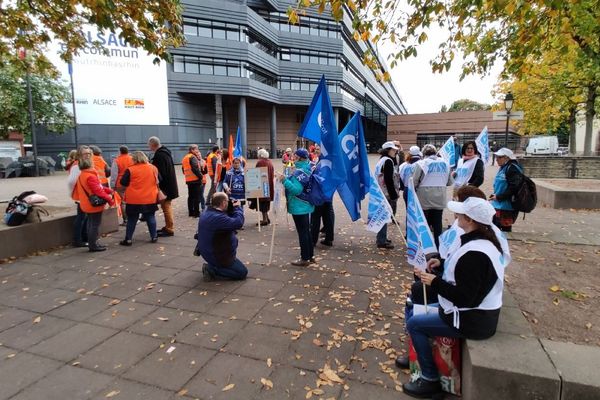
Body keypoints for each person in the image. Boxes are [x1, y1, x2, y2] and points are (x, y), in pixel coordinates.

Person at [401, 197, 505, 398]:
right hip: (474, 313)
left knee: (415, 323)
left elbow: (465, 298)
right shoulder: (482, 241)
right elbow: (463, 276)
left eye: (460, 213)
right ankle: (416, 355)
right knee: (415, 300)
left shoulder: (476, 254)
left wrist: (434, 282)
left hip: (472, 319)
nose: (456, 216)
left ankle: (430, 379)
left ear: (471, 220)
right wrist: (440, 263)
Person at [194, 192, 247, 281]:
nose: (229, 203)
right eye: (227, 201)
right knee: (242, 272)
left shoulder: (207, 211)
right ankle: (212, 269)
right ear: (223, 203)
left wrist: (230, 209)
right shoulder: (218, 218)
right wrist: (237, 208)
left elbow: (225, 218)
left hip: (206, 251)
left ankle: (213, 265)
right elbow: (238, 222)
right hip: (217, 255)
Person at [278, 148, 315, 266]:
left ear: (299, 157)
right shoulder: (307, 168)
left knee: (303, 233)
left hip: (299, 206)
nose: (292, 157)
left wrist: (284, 180)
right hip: (306, 205)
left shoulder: (299, 172)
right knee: (307, 231)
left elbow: (296, 190)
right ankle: (310, 255)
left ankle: (304, 258)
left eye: (294, 156)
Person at [413, 144, 453, 248]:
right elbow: (449, 182)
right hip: (440, 197)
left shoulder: (420, 164)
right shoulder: (446, 163)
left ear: (423, 153)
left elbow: (414, 181)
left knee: (424, 223)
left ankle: (424, 246)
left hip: (424, 197)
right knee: (438, 223)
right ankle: (438, 246)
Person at [73, 158, 115, 252]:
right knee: (94, 225)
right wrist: (110, 200)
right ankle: (93, 245)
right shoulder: (90, 176)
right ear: (90, 164)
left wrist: (109, 191)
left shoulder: (82, 175)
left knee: (90, 223)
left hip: (86, 203)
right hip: (93, 205)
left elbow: (97, 187)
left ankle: (92, 243)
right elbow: (99, 191)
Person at [119, 151, 160, 245]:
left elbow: (123, 183)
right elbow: (159, 180)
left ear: (135, 159)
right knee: (150, 217)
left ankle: (128, 239)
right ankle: (154, 236)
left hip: (134, 199)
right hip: (150, 197)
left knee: (132, 219)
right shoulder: (153, 168)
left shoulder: (130, 170)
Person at [148, 136, 178, 237]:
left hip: (165, 187)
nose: (149, 147)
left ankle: (169, 229)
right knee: (167, 207)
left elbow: (160, 174)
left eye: (149, 145)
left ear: (152, 145)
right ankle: (168, 227)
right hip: (169, 185)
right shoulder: (165, 153)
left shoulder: (159, 155)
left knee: (166, 207)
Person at [490, 148, 523, 232]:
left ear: (507, 158)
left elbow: (514, 187)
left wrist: (499, 196)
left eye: (500, 157)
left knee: (504, 230)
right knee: (495, 229)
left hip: (507, 207)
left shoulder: (512, 168)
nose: (497, 159)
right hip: (499, 204)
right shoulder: (504, 167)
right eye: (497, 157)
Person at [374, 141, 400, 249]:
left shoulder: (382, 160)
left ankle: (382, 237)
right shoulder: (388, 161)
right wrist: (393, 194)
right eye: (393, 150)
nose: (395, 151)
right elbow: (388, 179)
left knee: (383, 216)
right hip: (386, 193)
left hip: (380, 192)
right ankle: (381, 240)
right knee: (384, 216)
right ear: (388, 150)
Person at [67, 145, 94, 247]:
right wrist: (75, 193)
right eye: (85, 154)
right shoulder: (77, 165)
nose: (87, 155)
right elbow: (71, 182)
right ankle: (77, 240)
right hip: (82, 197)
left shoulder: (84, 164)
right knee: (81, 218)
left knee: (85, 218)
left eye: (89, 153)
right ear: (79, 154)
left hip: (85, 196)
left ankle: (83, 237)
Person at [310, 145, 334, 247]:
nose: (316, 151)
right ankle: (329, 239)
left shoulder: (322, 164)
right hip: (327, 196)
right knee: (327, 218)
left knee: (315, 219)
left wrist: (312, 172)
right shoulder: (326, 162)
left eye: (318, 149)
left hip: (319, 196)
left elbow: (319, 180)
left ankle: (313, 240)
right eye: (315, 149)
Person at [110, 145, 134, 225]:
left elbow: (114, 174)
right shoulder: (132, 159)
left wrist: (112, 185)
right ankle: (133, 219)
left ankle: (126, 220)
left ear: (120, 151)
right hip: (131, 183)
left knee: (123, 202)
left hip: (120, 184)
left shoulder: (116, 160)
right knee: (132, 201)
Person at [182, 144, 204, 218]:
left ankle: (191, 212)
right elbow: (195, 168)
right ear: (192, 150)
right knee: (196, 197)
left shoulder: (185, 157)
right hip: (195, 180)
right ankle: (197, 213)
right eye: (196, 149)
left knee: (190, 196)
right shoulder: (193, 157)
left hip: (189, 180)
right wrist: (201, 176)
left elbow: (183, 169)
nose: (197, 150)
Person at [254, 148, 274, 226]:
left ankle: (265, 219)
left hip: (262, 185)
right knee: (266, 202)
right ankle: (266, 218)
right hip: (268, 185)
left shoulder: (260, 162)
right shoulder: (270, 162)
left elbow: (256, 173)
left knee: (262, 203)